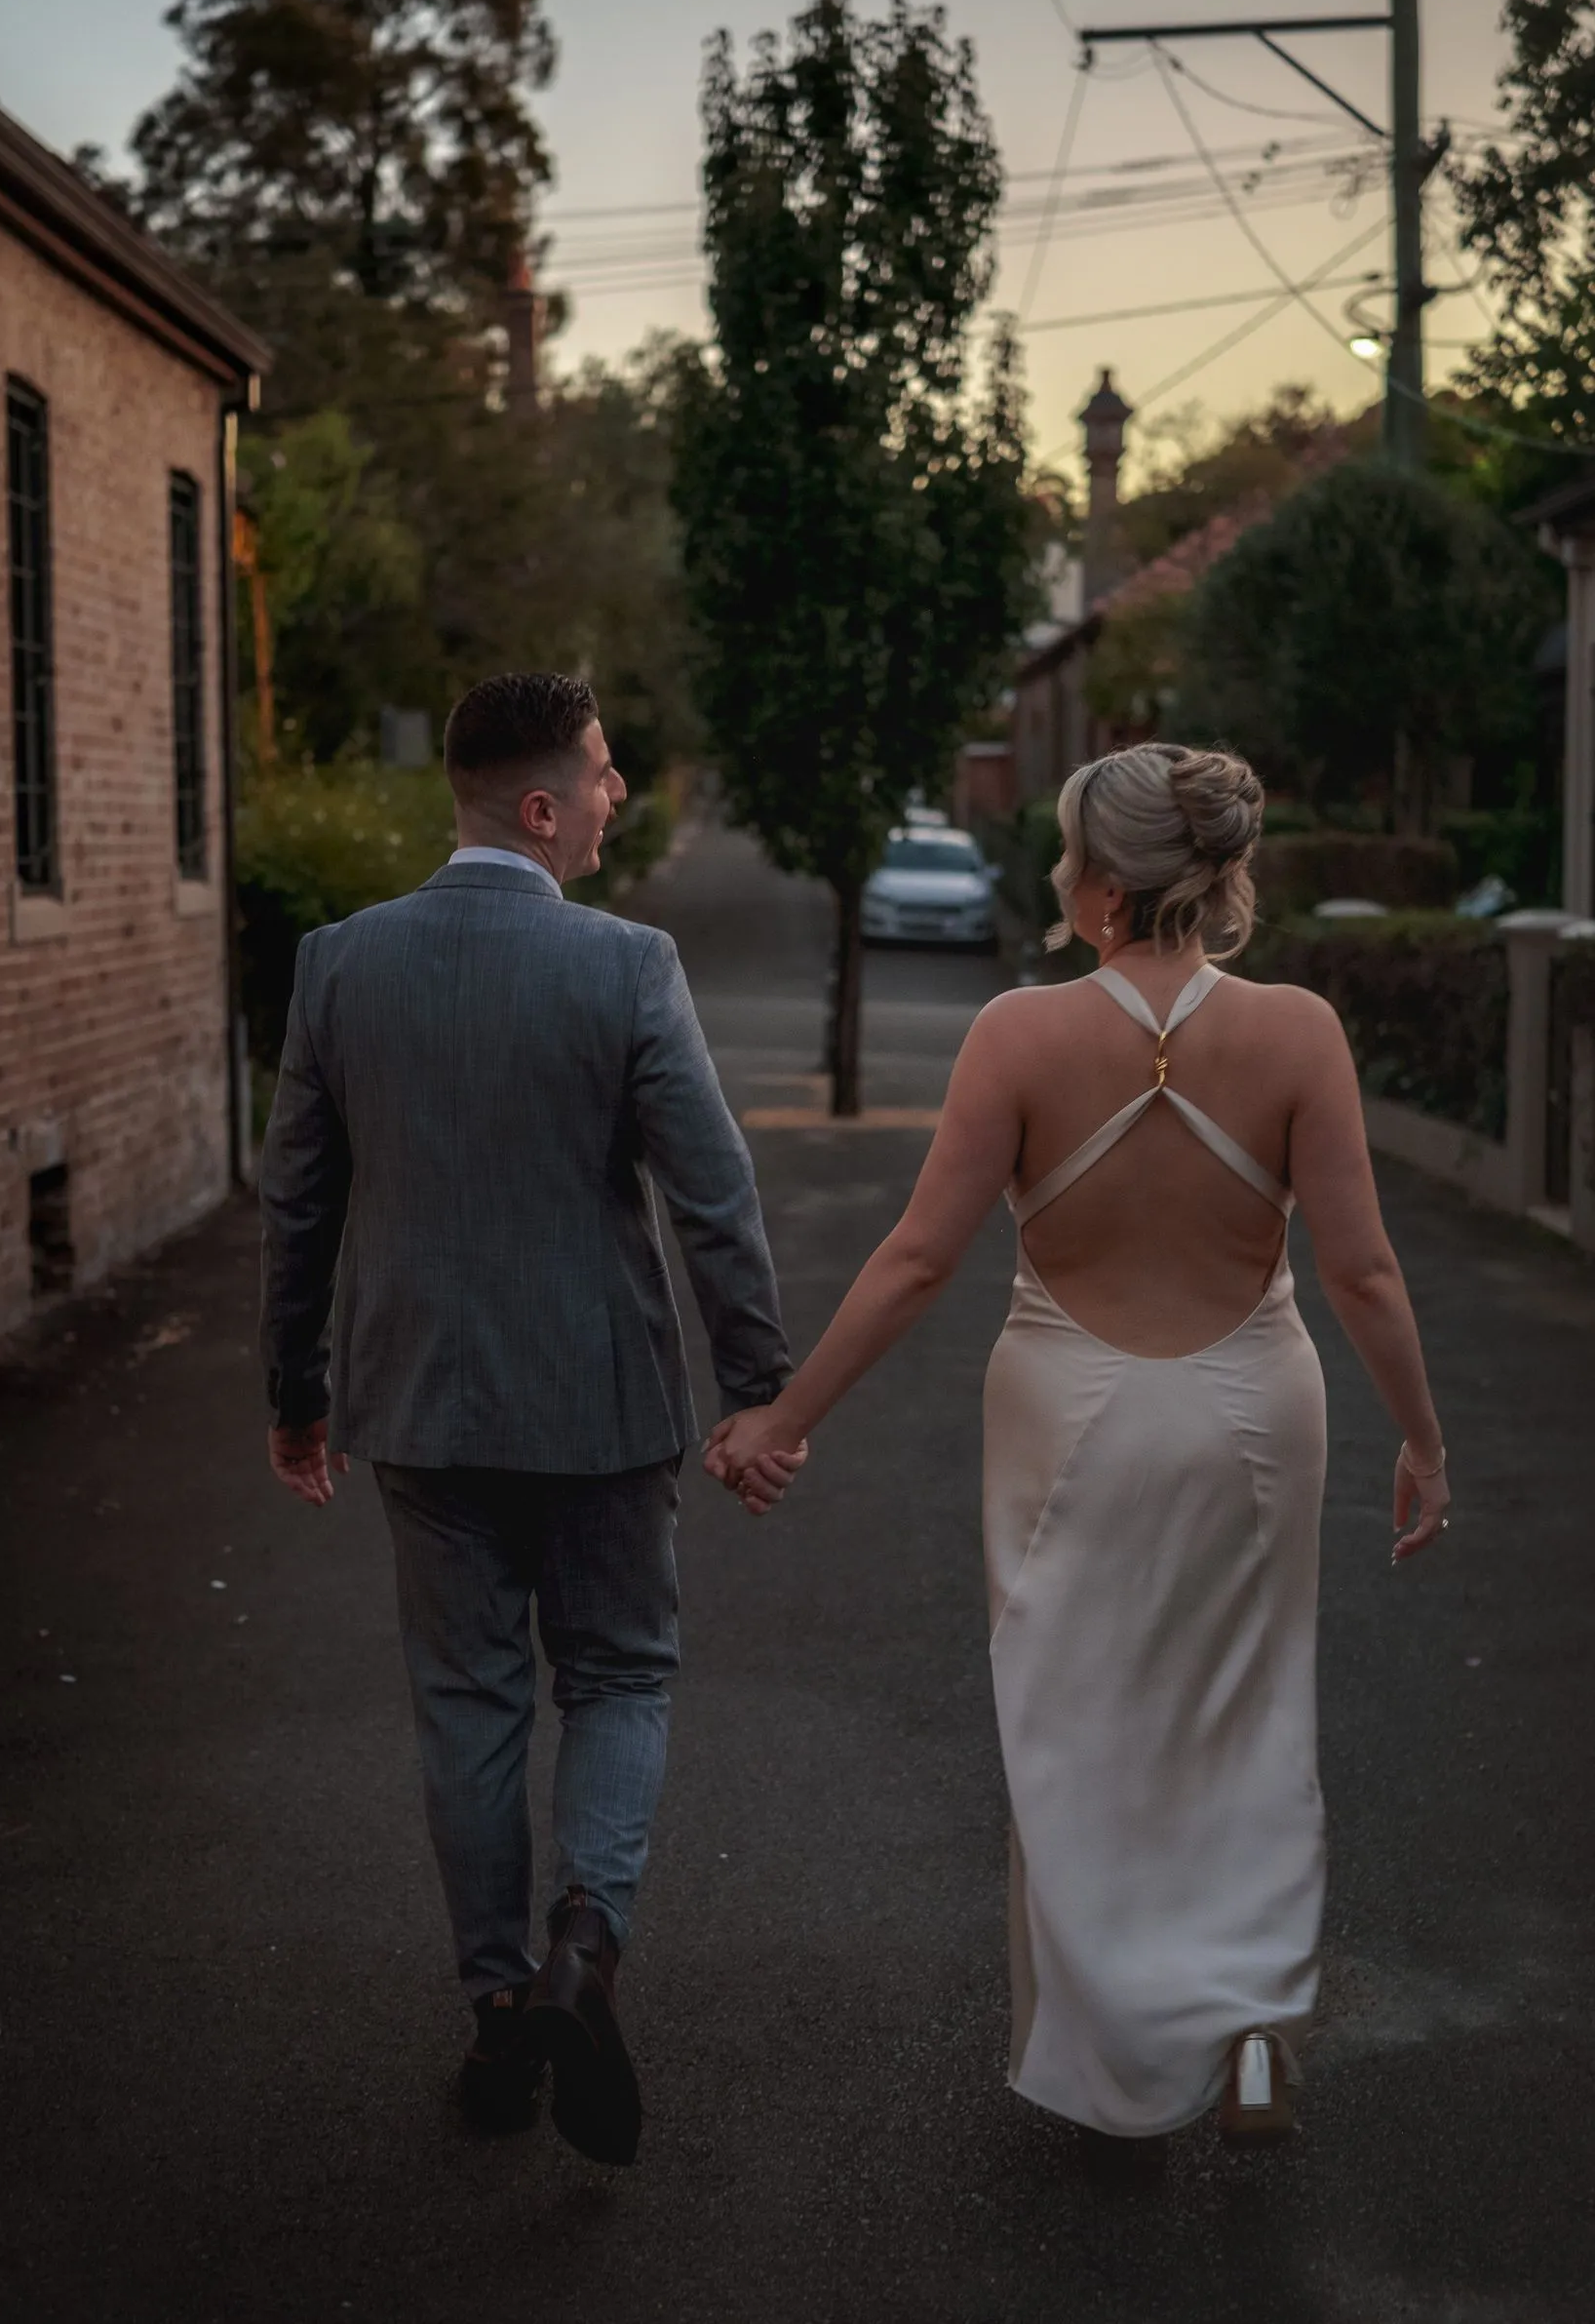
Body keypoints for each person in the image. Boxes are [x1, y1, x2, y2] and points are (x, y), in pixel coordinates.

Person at [707, 742, 1450, 2147]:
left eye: (1065, 852)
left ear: (1102, 878)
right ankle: (1243, 2029)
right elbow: (1364, 1275)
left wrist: (781, 1423)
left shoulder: (1017, 1034)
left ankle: (1114, 2051)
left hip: (1066, 1416)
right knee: (1247, 1709)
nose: (1058, 873)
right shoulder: (1300, 1031)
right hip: (1252, 1410)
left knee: (1077, 1721)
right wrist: (1423, 1442)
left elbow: (921, 1258)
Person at [259, 671, 798, 2168]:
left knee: (469, 1701)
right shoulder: (627, 967)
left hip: (417, 1404)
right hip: (601, 1400)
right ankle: (587, 1946)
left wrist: (295, 1395)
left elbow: (296, 1203)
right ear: (543, 804)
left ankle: (502, 2017)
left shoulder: (340, 967)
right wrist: (759, 1384)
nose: (621, 794)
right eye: (607, 772)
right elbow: (713, 1195)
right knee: (619, 1677)